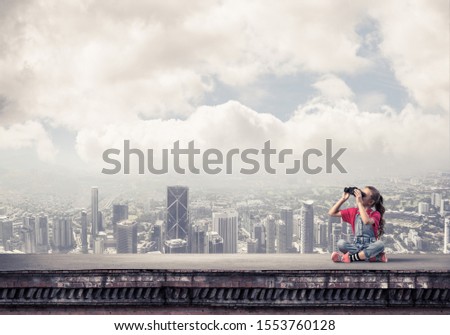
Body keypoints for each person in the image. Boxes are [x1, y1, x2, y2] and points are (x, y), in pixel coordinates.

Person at [328, 186, 387, 263]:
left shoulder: (375, 214)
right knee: (341, 243)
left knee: (380, 244)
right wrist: (343, 199)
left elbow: (366, 221)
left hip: (370, 245)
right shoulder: (353, 212)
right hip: (357, 246)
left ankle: (349, 258)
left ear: (371, 202)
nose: (359, 196)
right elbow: (331, 213)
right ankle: (372, 257)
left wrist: (359, 203)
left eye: (363, 195)